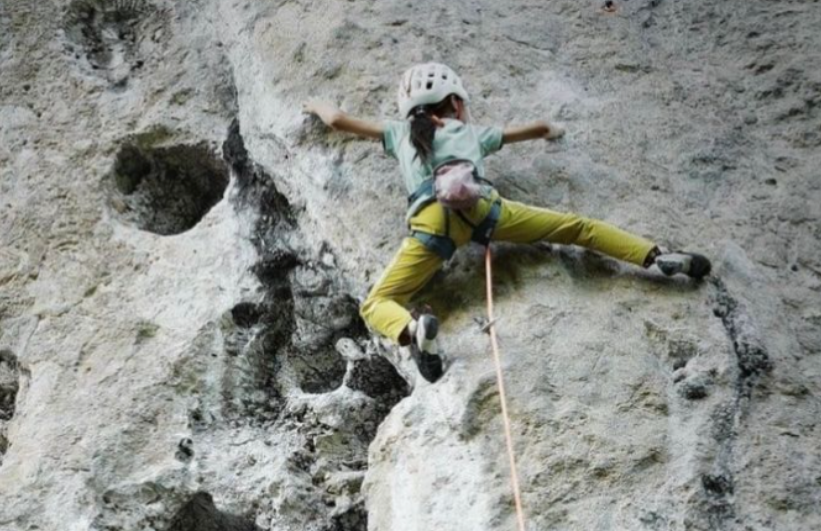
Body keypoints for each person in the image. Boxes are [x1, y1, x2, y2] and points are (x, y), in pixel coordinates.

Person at [303, 62, 711, 382]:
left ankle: (413, 331)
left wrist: (313, 103)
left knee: (376, 303)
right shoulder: (469, 131)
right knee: (576, 228)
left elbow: (337, 120)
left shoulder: (398, 132)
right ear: (457, 102)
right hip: (485, 210)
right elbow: (530, 130)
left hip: (431, 225)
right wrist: (552, 129)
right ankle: (654, 257)